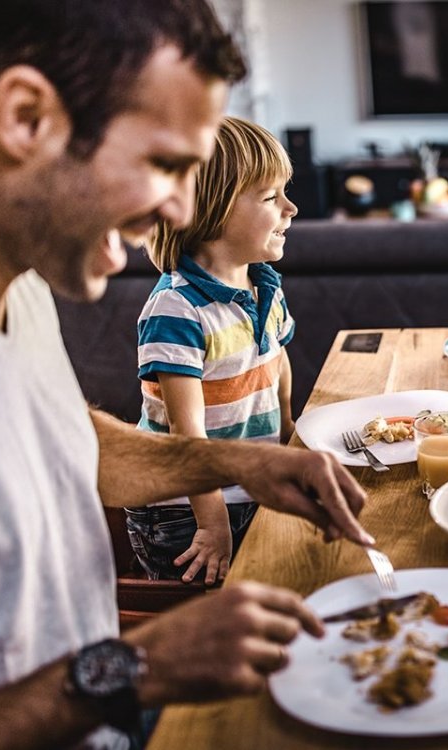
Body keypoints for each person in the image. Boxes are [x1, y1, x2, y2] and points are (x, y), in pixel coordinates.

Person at [0, 2, 373, 748]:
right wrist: (133, 669)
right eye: (165, 163)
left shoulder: (24, 288)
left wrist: (234, 459)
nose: (177, 205)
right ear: (26, 118)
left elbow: (61, 445)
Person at [129, 117, 299, 584]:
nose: (292, 208)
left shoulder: (263, 284)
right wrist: (212, 522)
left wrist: (287, 433)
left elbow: (275, 360)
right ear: (212, 210)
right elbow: (189, 434)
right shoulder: (177, 308)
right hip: (185, 511)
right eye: (271, 197)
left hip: (246, 487)